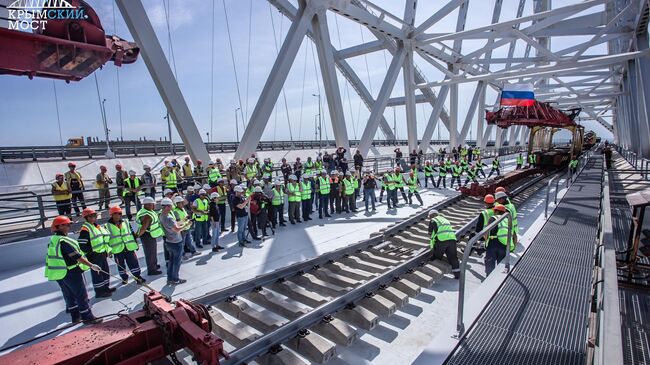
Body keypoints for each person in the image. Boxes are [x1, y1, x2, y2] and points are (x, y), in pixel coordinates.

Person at [46, 215, 102, 324]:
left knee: (69, 295)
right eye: (67, 225)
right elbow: (77, 257)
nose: (69, 226)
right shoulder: (63, 241)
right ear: (60, 226)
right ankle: (87, 317)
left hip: (59, 273)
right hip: (70, 272)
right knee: (81, 294)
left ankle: (75, 317)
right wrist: (92, 266)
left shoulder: (53, 239)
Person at [77, 208, 113, 298]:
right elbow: (82, 245)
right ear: (86, 218)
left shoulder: (96, 227)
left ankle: (106, 288)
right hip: (94, 256)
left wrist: (106, 250)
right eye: (91, 216)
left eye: (95, 216)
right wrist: (90, 253)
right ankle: (99, 292)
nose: (93, 218)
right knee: (97, 274)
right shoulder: (85, 230)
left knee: (105, 271)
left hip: (102, 254)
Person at [106, 206, 146, 285]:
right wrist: (108, 251)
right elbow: (106, 240)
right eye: (115, 214)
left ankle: (138, 277)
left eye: (119, 214)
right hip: (117, 250)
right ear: (111, 215)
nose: (118, 215)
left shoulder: (126, 222)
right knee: (121, 266)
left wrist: (136, 243)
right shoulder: (107, 226)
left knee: (134, 263)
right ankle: (124, 278)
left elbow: (131, 233)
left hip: (129, 247)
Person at [159, 198, 187, 285]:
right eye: (171, 206)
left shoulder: (161, 215)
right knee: (177, 262)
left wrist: (182, 221)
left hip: (169, 241)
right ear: (167, 206)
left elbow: (173, 225)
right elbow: (177, 229)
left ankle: (169, 278)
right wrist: (186, 225)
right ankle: (175, 279)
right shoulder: (169, 217)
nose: (172, 207)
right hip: (176, 242)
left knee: (171, 261)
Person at [134, 197, 164, 276]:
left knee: (153, 251)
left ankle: (154, 265)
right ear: (147, 205)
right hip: (147, 235)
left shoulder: (147, 211)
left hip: (150, 235)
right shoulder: (146, 215)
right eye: (152, 204)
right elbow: (143, 228)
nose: (153, 206)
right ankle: (151, 270)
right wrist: (136, 237)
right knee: (150, 252)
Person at [428, 210, 460, 279]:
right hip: (452, 240)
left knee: (437, 257)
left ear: (432, 215)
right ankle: (457, 275)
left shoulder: (433, 220)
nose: (429, 218)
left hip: (442, 240)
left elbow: (430, 233)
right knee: (453, 257)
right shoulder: (445, 219)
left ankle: (437, 274)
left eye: (429, 217)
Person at [484, 204, 512, 276]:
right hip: (504, 244)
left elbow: (487, 232)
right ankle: (500, 277)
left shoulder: (493, 218)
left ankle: (489, 278)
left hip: (493, 243)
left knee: (490, 262)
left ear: (496, 211)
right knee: (501, 264)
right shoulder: (507, 220)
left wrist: (486, 243)